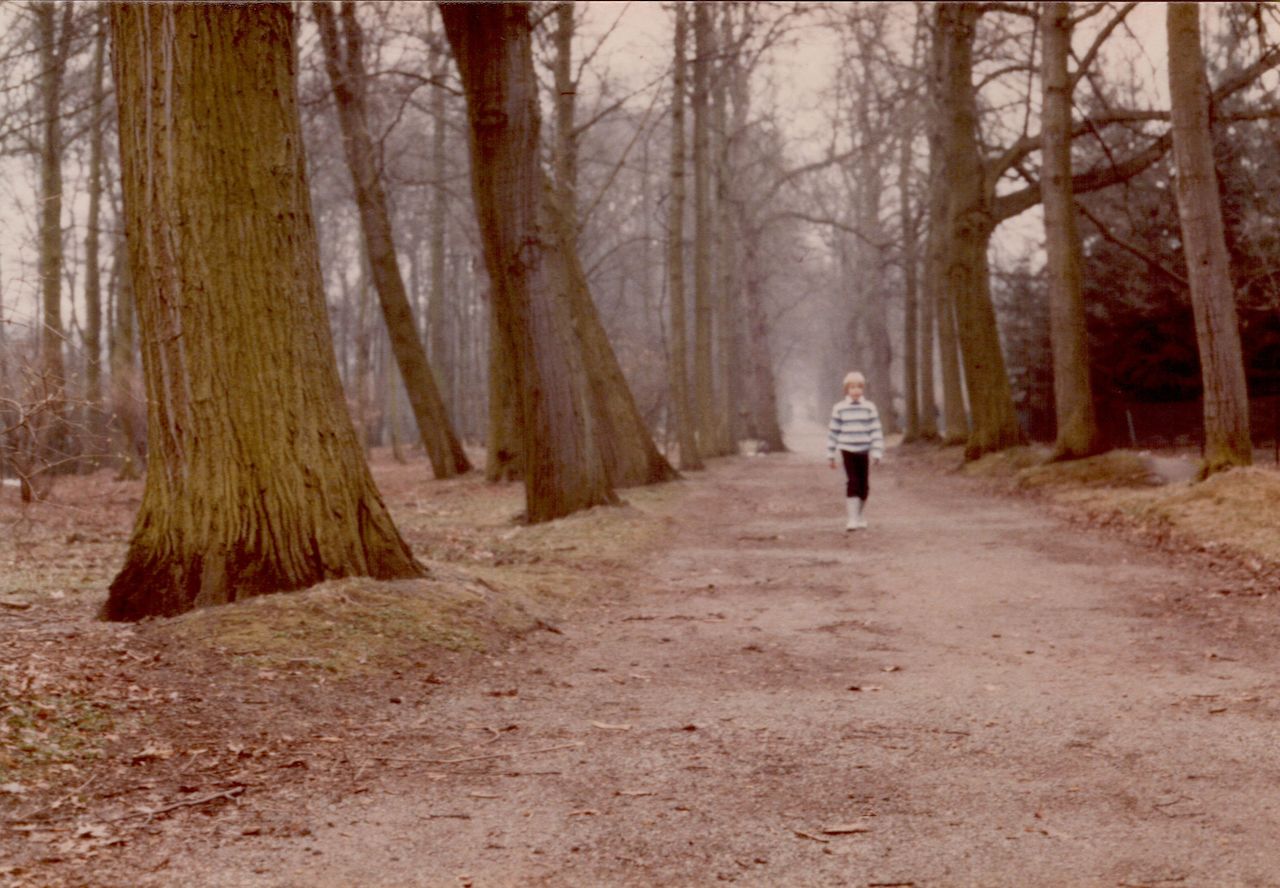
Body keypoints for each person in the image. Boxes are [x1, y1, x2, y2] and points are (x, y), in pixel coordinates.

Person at [826, 371, 884, 531]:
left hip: (864, 449)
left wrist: (877, 452)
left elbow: (876, 430)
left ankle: (859, 515)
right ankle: (852, 519)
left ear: (863, 389)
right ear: (846, 389)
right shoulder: (839, 408)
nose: (856, 390)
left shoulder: (869, 407)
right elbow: (833, 432)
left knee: (864, 486)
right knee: (853, 481)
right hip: (847, 449)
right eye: (852, 387)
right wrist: (830, 454)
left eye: (859, 387)